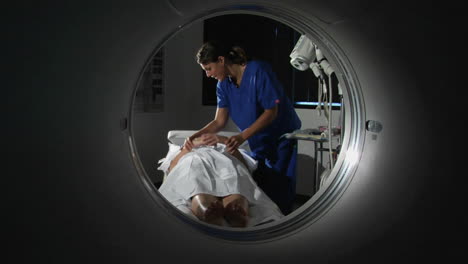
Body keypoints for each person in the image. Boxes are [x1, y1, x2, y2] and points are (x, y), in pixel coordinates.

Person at [183, 40, 302, 214]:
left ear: (221, 60)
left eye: (209, 68)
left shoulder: (258, 71)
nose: (208, 75)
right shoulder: (223, 85)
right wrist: (194, 136)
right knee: (261, 190)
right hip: (257, 140)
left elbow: (271, 111)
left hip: (281, 137)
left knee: (280, 192)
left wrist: (241, 137)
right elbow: (219, 121)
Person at [158, 133, 284, 227]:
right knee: (196, 180)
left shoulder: (227, 149)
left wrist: (227, 144)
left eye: (209, 137)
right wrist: (187, 148)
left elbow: (245, 169)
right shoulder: (187, 150)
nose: (206, 139)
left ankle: (234, 211)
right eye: (202, 138)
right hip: (196, 160)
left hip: (227, 162)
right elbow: (173, 168)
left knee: (235, 179)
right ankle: (207, 210)